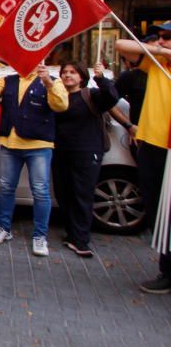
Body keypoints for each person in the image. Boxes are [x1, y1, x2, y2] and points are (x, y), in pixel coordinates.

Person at [0, 61, 68, 256]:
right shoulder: (8, 80)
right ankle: (3, 227)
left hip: (39, 145)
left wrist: (49, 83)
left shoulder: (53, 81)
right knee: (7, 188)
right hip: (10, 144)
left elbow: (61, 105)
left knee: (41, 192)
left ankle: (40, 236)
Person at [116, 23, 171, 294]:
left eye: (167, 37)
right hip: (152, 145)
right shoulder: (157, 62)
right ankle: (167, 269)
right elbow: (121, 46)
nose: (161, 41)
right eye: (160, 36)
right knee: (159, 210)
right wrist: (158, 49)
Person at [53, 62, 118, 257]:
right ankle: (72, 234)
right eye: (64, 72)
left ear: (82, 77)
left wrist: (100, 78)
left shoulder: (92, 95)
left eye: (72, 72)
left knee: (82, 195)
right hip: (61, 152)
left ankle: (81, 241)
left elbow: (112, 97)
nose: (67, 75)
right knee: (64, 193)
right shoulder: (58, 97)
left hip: (86, 152)